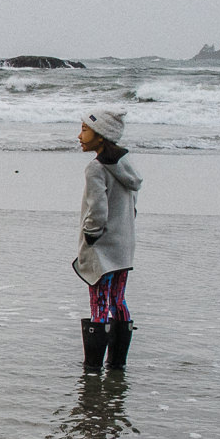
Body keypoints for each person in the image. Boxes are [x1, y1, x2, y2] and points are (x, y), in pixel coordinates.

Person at [74, 107, 141, 370]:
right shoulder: (125, 165)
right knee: (118, 300)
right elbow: (131, 207)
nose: (80, 136)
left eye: (84, 129)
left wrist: (90, 237)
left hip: (102, 248)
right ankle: (116, 363)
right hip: (124, 248)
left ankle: (92, 366)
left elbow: (97, 211)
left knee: (99, 303)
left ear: (100, 136)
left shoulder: (96, 168)